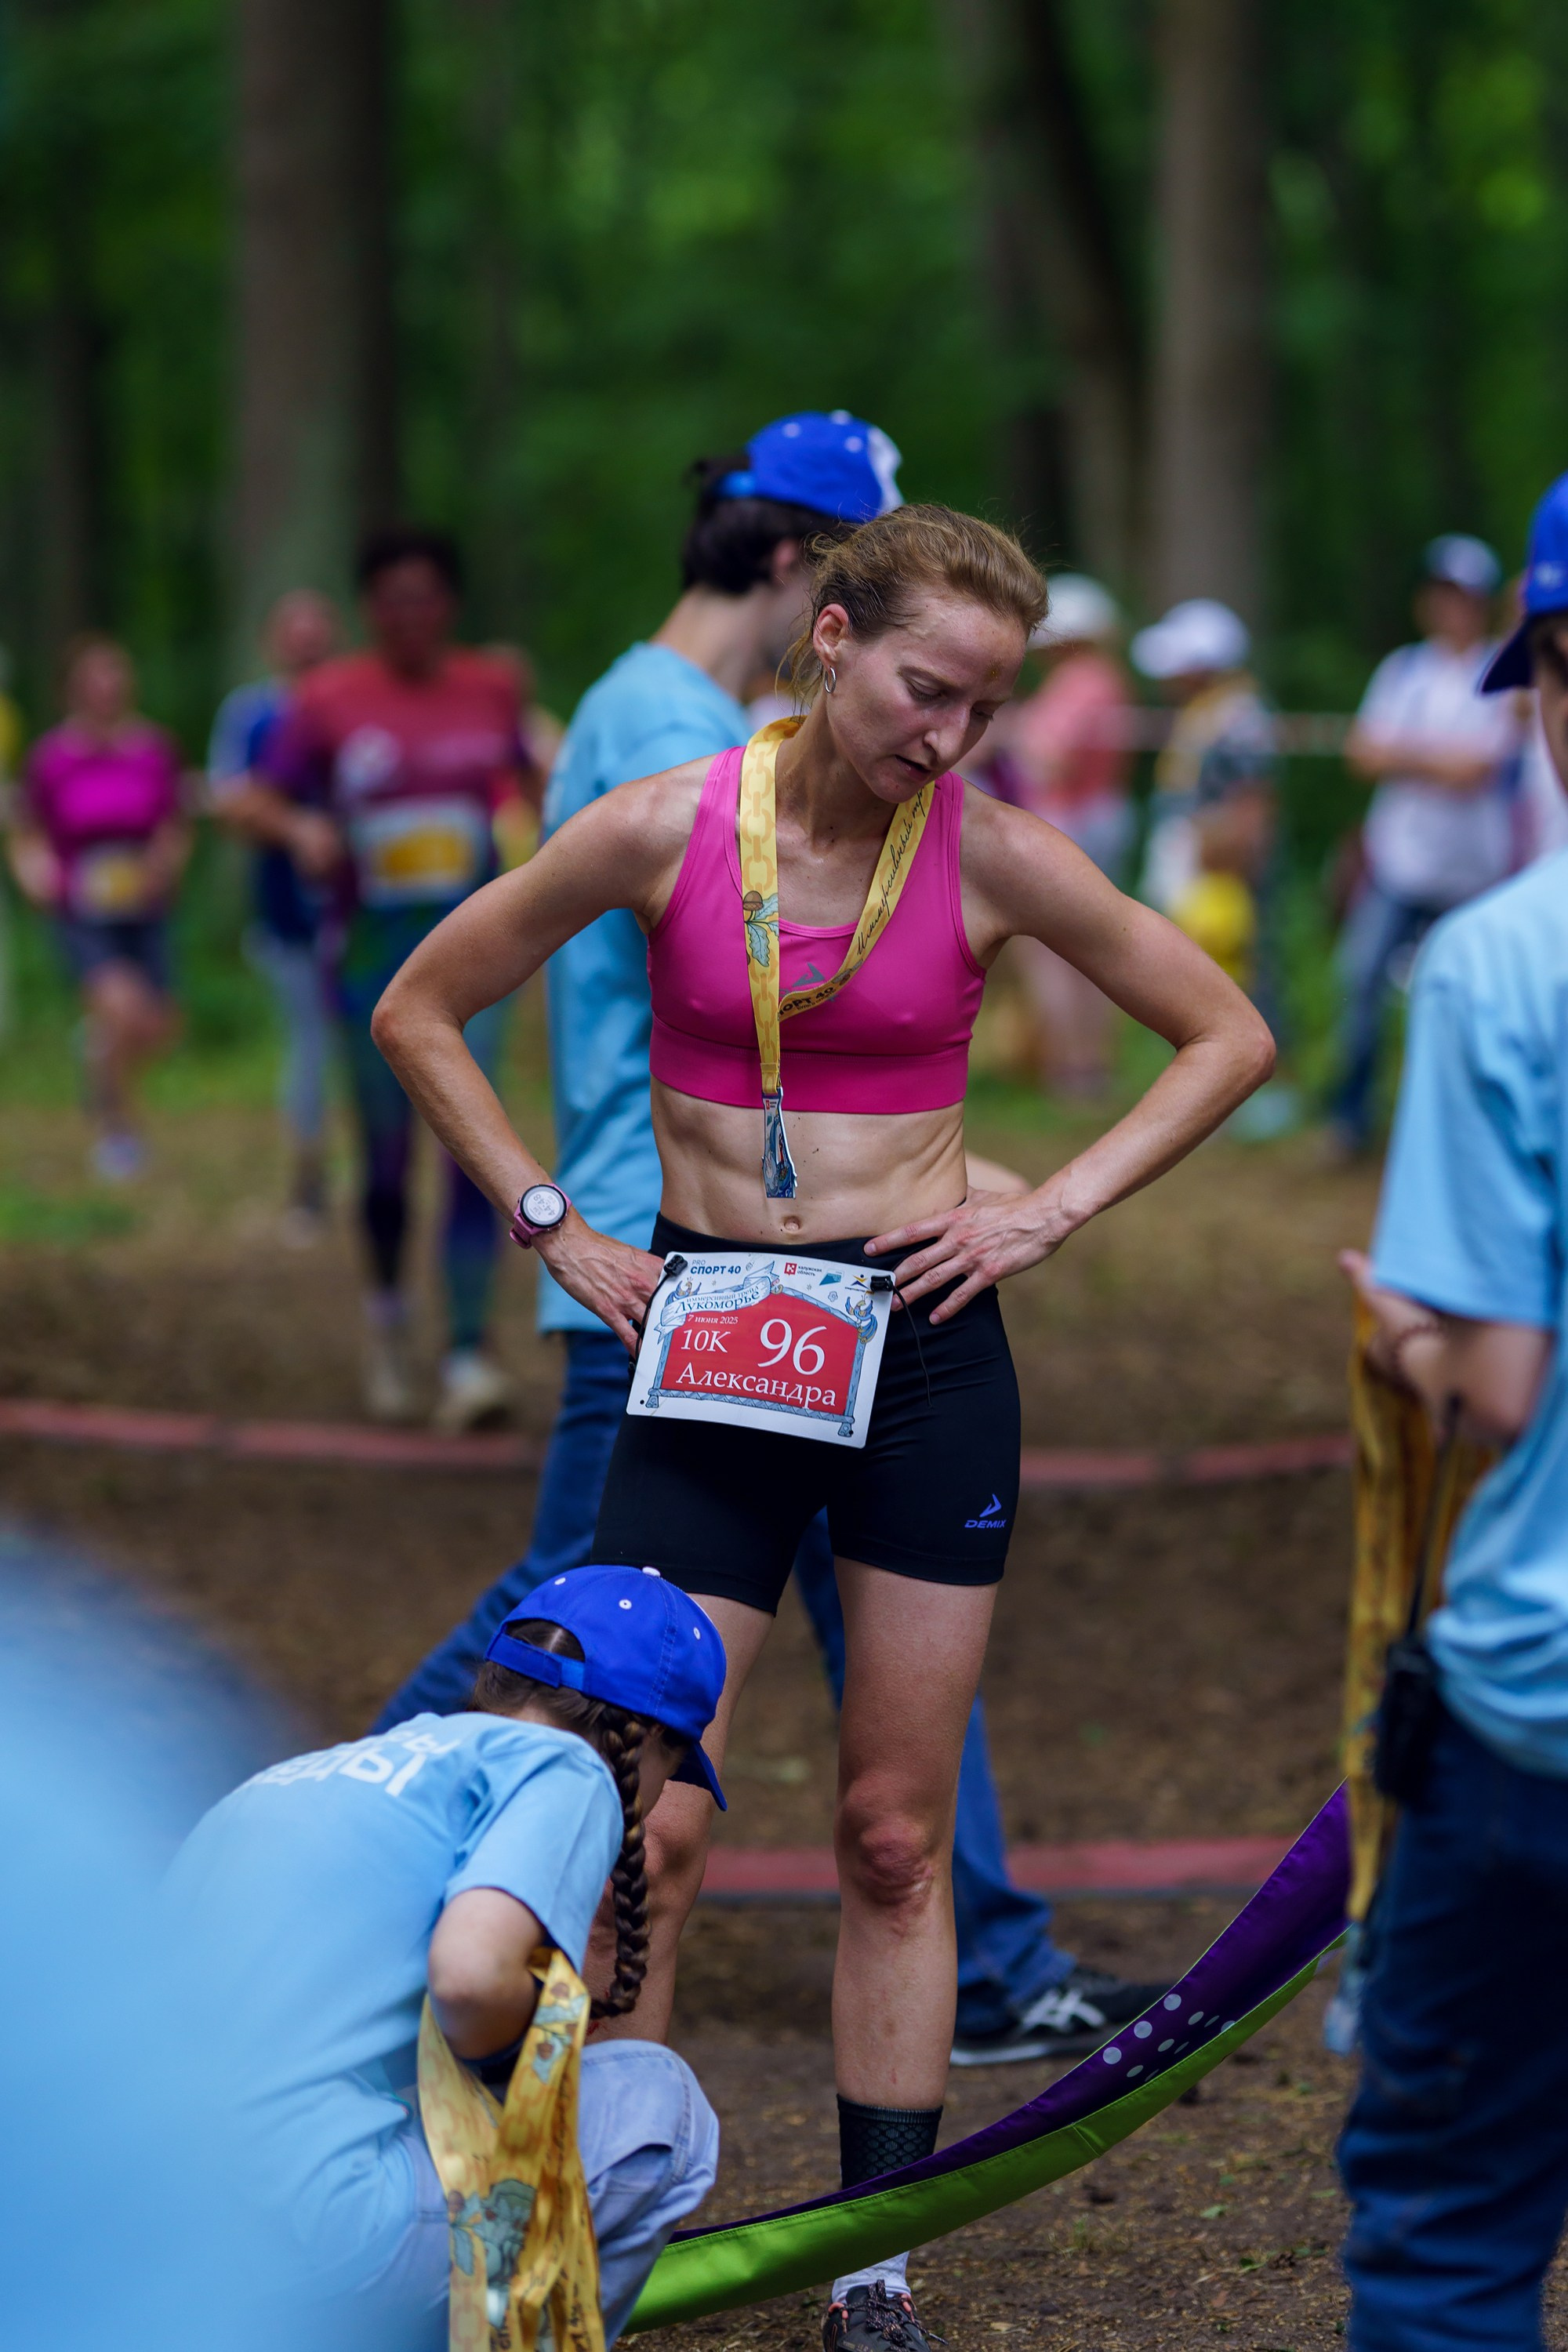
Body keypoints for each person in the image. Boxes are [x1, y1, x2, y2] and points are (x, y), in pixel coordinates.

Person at [371, 500, 1272, 2352]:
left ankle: (873, 2268)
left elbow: (1223, 1034)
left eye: (983, 705)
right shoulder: (660, 827)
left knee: (885, 1833)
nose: (944, 734)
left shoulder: (997, 853)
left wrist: (1038, 1210)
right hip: (706, 1344)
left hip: (921, 1353)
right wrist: (552, 1222)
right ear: (828, 638)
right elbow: (422, 1005)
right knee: (632, 1813)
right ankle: (569, 2235)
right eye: (923, 689)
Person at [162, 1566, 722, 2350]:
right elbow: (468, 1977)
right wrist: (505, 2065)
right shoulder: (567, 1769)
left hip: (149, 2230)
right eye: (673, 1768)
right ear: (647, 1741)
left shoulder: (301, 1778)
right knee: (661, 2108)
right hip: (310, 2221)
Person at [1335, 470, 1568, 2352]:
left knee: (1448, 2221)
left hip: (1536, 1710)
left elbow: (1497, 1386)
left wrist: (1402, 1335)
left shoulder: (1499, 961)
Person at [244, 527, 535, 1429]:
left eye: (426, 597)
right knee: (382, 1160)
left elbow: (525, 782)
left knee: (469, 1149)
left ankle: (466, 1356)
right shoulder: (327, 700)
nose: (410, 616)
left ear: (449, 605)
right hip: (368, 959)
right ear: (370, 609)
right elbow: (253, 796)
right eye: (391, 600)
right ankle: (387, 1322)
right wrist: (301, 832)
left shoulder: (492, 688)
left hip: (472, 958)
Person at [1327, 532, 1521, 1159]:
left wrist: (1404, 753)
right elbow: (1362, 753)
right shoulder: (1404, 669)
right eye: (1441, 593)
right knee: (1361, 987)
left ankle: (1458, 1129)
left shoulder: (1504, 673)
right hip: (1399, 862)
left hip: (1475, 874)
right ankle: (1349, 1120)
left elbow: (1478, 771)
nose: (1449, 607)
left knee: (1467, 1003)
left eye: (1461, 596)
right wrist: (1439, 760)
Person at [6, 634, 189, 1180]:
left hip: (144, 903)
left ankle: (98, 1057)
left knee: (159, 1027)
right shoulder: (52, 757)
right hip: (81, 907)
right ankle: (118, 1130)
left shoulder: (153, 748)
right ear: (73, 690)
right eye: (94, 679)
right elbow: (27, 829)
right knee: (121, 1007)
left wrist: (166, 860)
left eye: (115, 676)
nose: (106, 688)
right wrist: (33, 872)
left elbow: (173, 821)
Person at [209, 590, 341, 1241]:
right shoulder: (252, 715)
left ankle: (379, 1179)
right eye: (296, 637)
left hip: (362, 916)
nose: (307, 648)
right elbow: (228, 802)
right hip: (287, 917)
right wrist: (295, 830)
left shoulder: (352, 704)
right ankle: (311, 1178)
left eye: (317, 637)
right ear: (273, 642)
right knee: (312, 1045)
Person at [999, 574, 1134, 1098]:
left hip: (1065, 821)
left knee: (1051, 952)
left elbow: (1050, 762)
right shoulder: (1110, 679)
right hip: (1102, 816)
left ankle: (1070, 1070)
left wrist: (1010, 738)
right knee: (1095, 948)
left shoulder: (1080, 682)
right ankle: (1092, 1065)